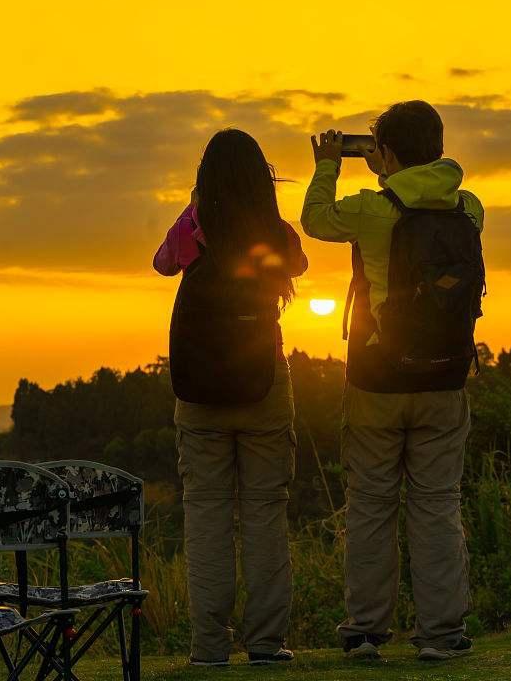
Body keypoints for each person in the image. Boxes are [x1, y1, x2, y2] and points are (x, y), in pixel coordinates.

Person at [301, 101, 484, 662]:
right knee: (436, 504)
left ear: (388, 152)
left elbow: (315, 220)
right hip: (445, 377)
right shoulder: (469, 207)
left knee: (372, 505)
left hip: (378, 376)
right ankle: (442, 634)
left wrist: (330, 162)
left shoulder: (372, 210)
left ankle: (365, 631)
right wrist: (389, 166)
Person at [154, 128, 308, 667]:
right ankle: (265, 644)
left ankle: (209, 648)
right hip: (263, 380)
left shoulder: (195, 229)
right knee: (266, 512)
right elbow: (299, 267)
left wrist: (194, 209)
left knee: (206, 516)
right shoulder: (272, 230)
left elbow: (162, 263)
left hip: (198, 394)